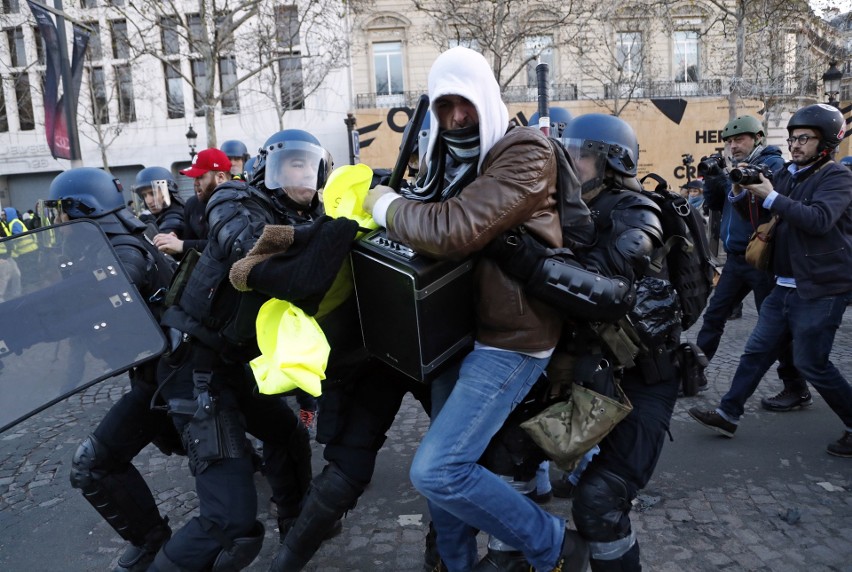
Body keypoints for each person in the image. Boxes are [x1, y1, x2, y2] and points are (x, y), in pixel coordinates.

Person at [363, 46, 589, 572]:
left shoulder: (525, 151)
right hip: (456, 332)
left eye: (463, 104)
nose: (456, 117)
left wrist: (383, 205)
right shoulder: (445, 154)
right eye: (444, 107)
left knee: (438, 470)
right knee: (449, 480)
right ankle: (456, 564)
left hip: (512, 335)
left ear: (485, 98)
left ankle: (554, 544)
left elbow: (452, 229)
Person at [149, 131, 327, 571]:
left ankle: (295, 531)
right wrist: (326, 238)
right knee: (229, 522)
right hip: (194, 370)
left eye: (310, 165)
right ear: (267, 168)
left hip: (236, 368)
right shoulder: (234, 197)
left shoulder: (316, 217)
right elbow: (248, 244)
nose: (302, 174)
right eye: (292, 165)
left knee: (288, 436)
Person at [688, 103, 852, 458]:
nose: (795, 145)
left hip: (821, 287)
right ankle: (728, 414)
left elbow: (819, 219)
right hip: (784, 283)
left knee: (813, 362)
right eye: (792, 139)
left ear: (826, 141)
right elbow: (759, 212)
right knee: (755, 352)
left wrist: (771, 194)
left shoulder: (837, 178)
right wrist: (741, 187)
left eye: (804, 139)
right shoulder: (791, 174)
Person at [44, 168, 180, 572]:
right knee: (187, 443)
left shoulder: (121, 245)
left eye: (62, 212)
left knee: (92, 465)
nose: (59, 223)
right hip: (158, 378)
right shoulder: (105, 242)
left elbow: (124, 277)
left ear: (82, 209)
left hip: (172, 379)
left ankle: (154, 542)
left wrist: (28, 319)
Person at [694, 115, 808, 411]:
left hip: (762, 258)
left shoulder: (772, 164)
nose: (734, 146)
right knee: (714, 316)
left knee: (774, 328)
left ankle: (796, 387)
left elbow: (759, 207)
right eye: (730, 141)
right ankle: (695, 373)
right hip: (735, 259)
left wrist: (744, 177)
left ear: (757, 138)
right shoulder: (733, 167)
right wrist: (717, 177)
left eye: (740, 139)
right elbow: (717, 204)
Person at [152, 149, 231, 258]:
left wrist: (182, 245)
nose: (195, 183)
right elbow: (187, 250)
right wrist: (172, 243)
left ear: (220, 178)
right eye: (194, 178)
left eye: (200, 177)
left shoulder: (238, 203)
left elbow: (228, 247)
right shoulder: (193, 205)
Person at [132, 166, 186, 238]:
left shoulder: (174, 218)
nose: (148, 201)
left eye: (153, 194)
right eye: (144, 195)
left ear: (168, 192)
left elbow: (161, 244)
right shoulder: (158, 216)